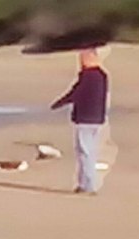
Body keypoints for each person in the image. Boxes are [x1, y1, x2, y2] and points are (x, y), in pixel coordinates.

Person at [49, 48, 109, 195]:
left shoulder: (88, 76)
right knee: (90, 152)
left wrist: (58, 104)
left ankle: (88, 186)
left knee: (85, 152)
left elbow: (76, 93)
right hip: (97, 118)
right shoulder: (102, 75)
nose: (80, 61)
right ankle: (85, 184)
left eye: (83, 58)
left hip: (85, 118)